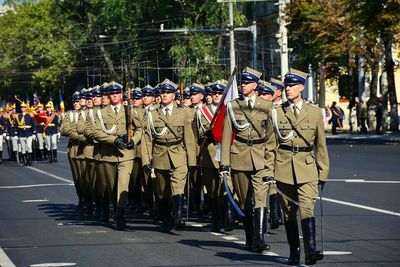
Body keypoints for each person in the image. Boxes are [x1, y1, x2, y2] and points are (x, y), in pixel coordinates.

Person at [272, 68, 329, 265]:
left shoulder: (314, 113)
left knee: (307, 209)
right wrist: (269, 171)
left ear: (301, 87)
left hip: (307, 168)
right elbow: (271, 146)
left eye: (291, 85)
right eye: (286, 86)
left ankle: (311, 251)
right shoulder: (277, 112)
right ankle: (294, 252)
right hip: (283, 168)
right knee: (288, 213)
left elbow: (321, 145)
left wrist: (323, 173)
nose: (287, 89)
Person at [220, 67, 276, 253]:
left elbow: (270, 137)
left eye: (247, 83)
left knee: (260, 198)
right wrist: (224, 163)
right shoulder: (233, 106)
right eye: (242, 83)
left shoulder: (267, 107)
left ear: (255, 85)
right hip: (239, 156)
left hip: (260, 156)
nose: (243, 85)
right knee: (244, 201)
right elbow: (227, 136)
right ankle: (249, 237)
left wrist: (270, 161)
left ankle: (259, 239)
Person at [141, 79, 196, 233]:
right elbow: (147, 141)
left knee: (178, 186)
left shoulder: (183, 113)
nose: (164, 95)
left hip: (178, 155)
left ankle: (178, 215)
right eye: (163, 93)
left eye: (168, 93)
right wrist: (146, 161)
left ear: (174, 95)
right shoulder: (152, 115)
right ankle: (166, 218)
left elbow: (189, 140)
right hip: (159, 156)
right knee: (162, 192)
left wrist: (192, 161)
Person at [91, 82, 142, 230]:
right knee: (112, 188)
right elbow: (96, 132)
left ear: (121, 95)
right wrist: (114, 140)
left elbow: (140, 129)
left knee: (123, 184)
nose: (114, 96)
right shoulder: (101, 113)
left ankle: (120, 212)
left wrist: (133, 140)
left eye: (117, 93)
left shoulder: (129, 110)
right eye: (111, 94)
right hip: (109, 155)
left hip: (126, 155)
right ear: (108, 96)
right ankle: (116, 207)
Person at [16, 102, 36, 166]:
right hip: (21, 134)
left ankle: (29, 160)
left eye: (24, 107)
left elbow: (33, 124)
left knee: (29, 147)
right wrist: (16, 134)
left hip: (29, 133)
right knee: (23, 148)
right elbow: (16, 125)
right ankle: (24, 160)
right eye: (22, 107)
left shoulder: (30, 115)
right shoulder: (18, 116)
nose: (23, 108)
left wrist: (33, 133)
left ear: (26, 108)